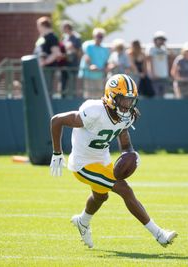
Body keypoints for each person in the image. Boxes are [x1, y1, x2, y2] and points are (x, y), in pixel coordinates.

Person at [49, 74, 177, 249]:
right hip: (82, 165)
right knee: (124, 189)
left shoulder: (128, 116)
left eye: (130, 100)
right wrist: (57, 152)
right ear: (111, 96)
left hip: (102, 161)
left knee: (101, 196)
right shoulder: (94, 110)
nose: (127, 105)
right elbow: (57, 120)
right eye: (123, 99)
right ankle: (159, 234)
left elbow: (125, 143)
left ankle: (82, 221)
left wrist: (131, 154)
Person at [34, 16, 63, 96]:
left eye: (38, 26)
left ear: (42, 25)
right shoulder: (43, 37)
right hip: (42, 68)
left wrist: (45, 62)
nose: (38, 28)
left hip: (48, 68)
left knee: (46, 90)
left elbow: (56, 53)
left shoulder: (52, 37)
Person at [78, 28, 110, 99]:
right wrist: (91, 65)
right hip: (89, 75)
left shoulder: (105, 49)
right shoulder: (88, 46)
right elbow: (86, 56)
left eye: (101, 36)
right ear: (94, 36)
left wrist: (106, 68)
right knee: (88, 96)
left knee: (99, 96)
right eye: (97, 36)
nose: (99, 38)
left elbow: (106, 61)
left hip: (100, 76)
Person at [146, 31, 170, 98]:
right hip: (155, 76)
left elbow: (171, 56)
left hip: (164, 76)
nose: (161, 41)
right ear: (155, 40)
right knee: (156, 95)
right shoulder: (151, 48)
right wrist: (152, 74)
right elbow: (149, 61)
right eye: (160, 39)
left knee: (163, 96)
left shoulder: (164, 49)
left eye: (163, 39)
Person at [61, 20, 82, 98]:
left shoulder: (76, 37)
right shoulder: (65, 37)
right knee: (63, 82)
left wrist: (72, 48)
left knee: (72, 83)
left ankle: (72, 97)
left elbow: (79, 52)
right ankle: (63, 96)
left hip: (73, 64)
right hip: (65, 64)